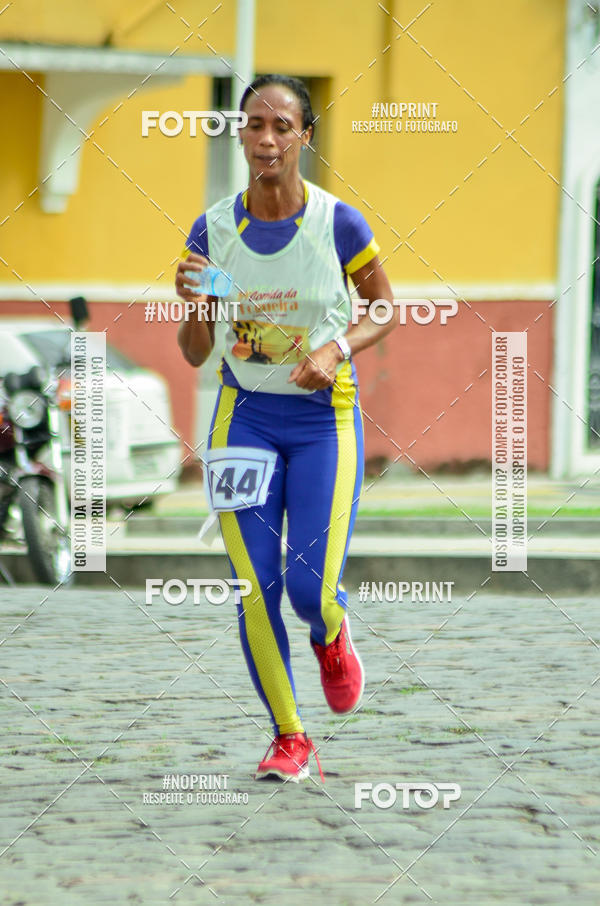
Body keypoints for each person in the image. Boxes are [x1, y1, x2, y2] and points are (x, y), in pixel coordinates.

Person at [176, 74, 395, 782]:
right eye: (254, 126)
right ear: (239, 134)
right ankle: (290, 735)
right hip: (243, 419)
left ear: (305, 136)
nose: (266, 139)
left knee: (308, 589)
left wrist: (335, 350)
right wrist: (193, 305)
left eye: (282, 127)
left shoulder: (340, 224)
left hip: (321, 422)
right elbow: (194, 352)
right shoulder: (210, 229)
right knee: (253, 584)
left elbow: (385, 308)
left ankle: (331, 634)